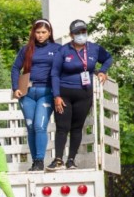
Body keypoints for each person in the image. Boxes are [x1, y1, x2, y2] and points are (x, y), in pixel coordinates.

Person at [47, 19, 112, 171]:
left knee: (77, 127)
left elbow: (108, 58)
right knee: (63, 127)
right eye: (78, 33)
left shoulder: (94, 49)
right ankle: (58, 160)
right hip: (64, 94)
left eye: (83, 32)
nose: (81, 35)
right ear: (71, 35)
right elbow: (54, 73)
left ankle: (71, 160)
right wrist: (56, 96)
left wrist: (102, 70)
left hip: (84, 93)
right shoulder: (63, 50)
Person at [11, 19, 61, 171]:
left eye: (43, 32)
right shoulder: (26, 49)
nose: (40, 35)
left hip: (46, 92)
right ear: (33, 33)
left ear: (49, 33)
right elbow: (15, 68)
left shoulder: (57, 48)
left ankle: (40, 160)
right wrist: (15, 88)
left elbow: (66, 67)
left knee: (40, 126)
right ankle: (35, 162)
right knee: (31, 126)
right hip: (28, 93)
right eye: (37, 32)